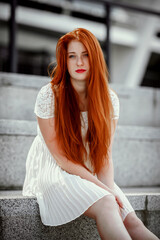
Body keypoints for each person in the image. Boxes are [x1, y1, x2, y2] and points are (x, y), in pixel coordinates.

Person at [22, 28, 159, 240]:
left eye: (85, 55)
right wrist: (106, 192)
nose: (79, 62)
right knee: (106, 203)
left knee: (132, 221)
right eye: (72, 56)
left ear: (95, 58)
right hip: (55, 170)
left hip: (88, 170)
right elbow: (62, 159)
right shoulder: (49, 95)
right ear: (64, 61)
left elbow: (104, 155)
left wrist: (109, 188)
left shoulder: (109, 100)